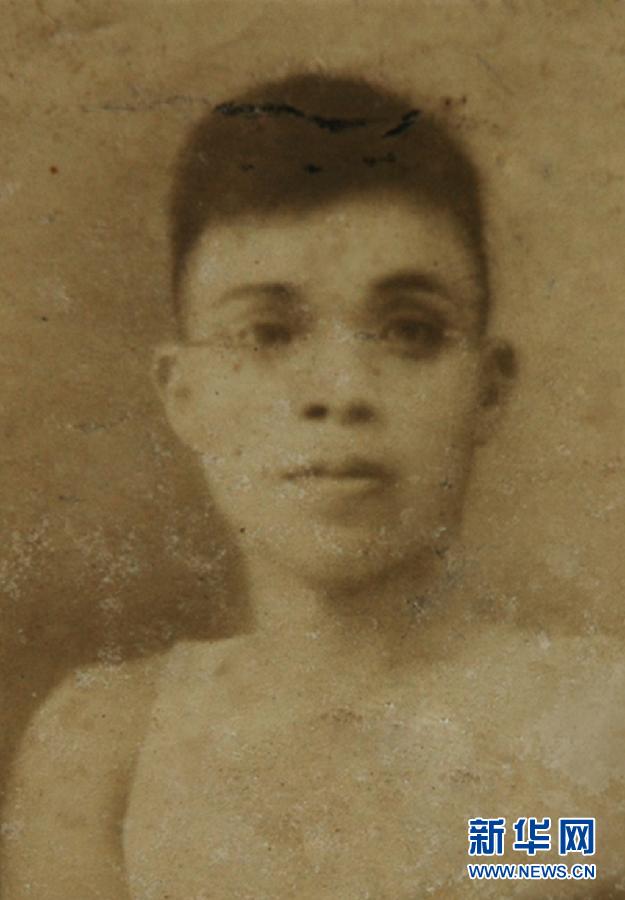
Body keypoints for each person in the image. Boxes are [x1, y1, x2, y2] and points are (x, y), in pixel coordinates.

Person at [2, 73, 623, 899]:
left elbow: (533, 859)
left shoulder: (594, 726)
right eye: (265, 334)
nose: (341, 390)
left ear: (487, 389)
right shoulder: (106, 746)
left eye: (410, 330)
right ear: (184, 394)